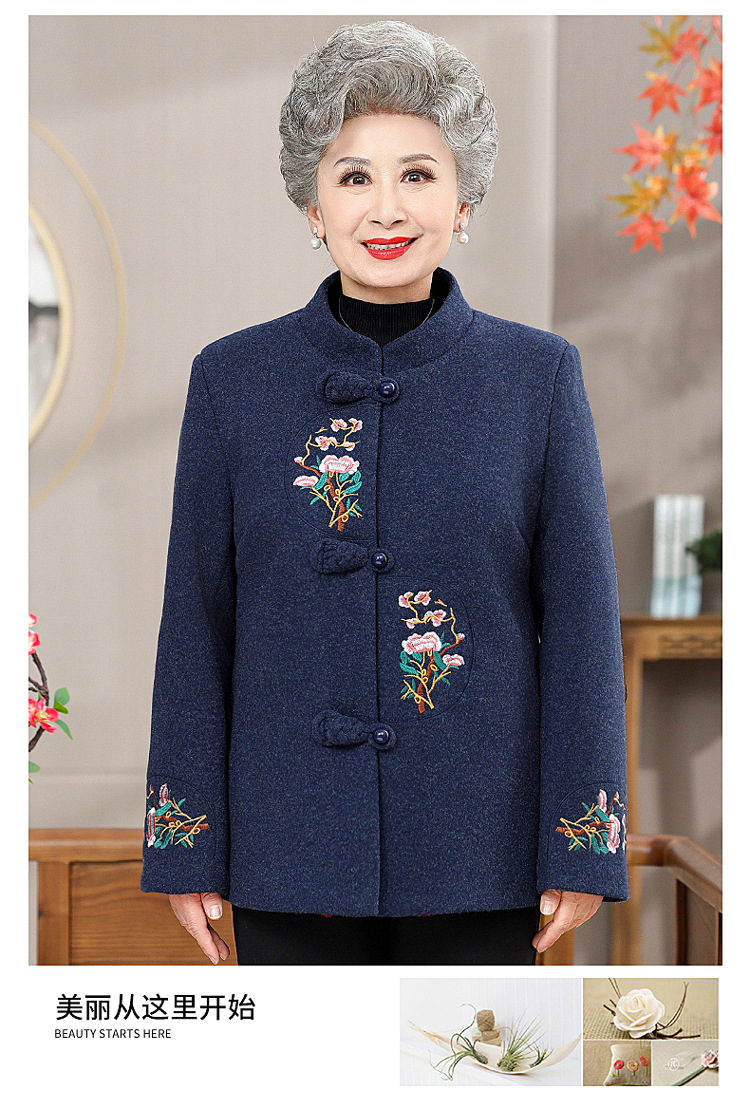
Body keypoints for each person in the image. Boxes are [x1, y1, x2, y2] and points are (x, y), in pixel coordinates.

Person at [141, 20, 628, 965]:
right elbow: (196, 622)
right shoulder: (232, 382)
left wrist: (582, 845)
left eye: (418, 174)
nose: (386, 207)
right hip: (287, 846)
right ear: (312, 204)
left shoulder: (537, 380)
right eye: (354, 176)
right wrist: (185, 845)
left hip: (485, 849)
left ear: (464, 198)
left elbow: (579, 624)